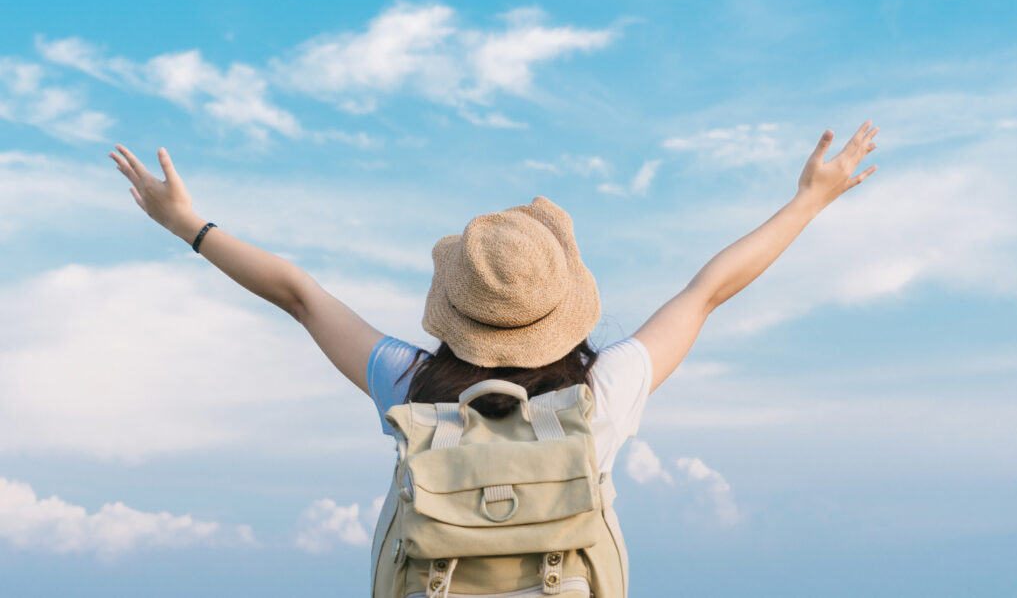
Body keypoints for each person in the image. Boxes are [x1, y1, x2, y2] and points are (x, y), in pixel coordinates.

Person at [108, 121, 879, 590]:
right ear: (563, 305)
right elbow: (709, 288)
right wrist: (811, 198)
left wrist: (191, 225)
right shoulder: (603, 394)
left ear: (457, 309)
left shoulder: (410, 388)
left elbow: (300, 294)